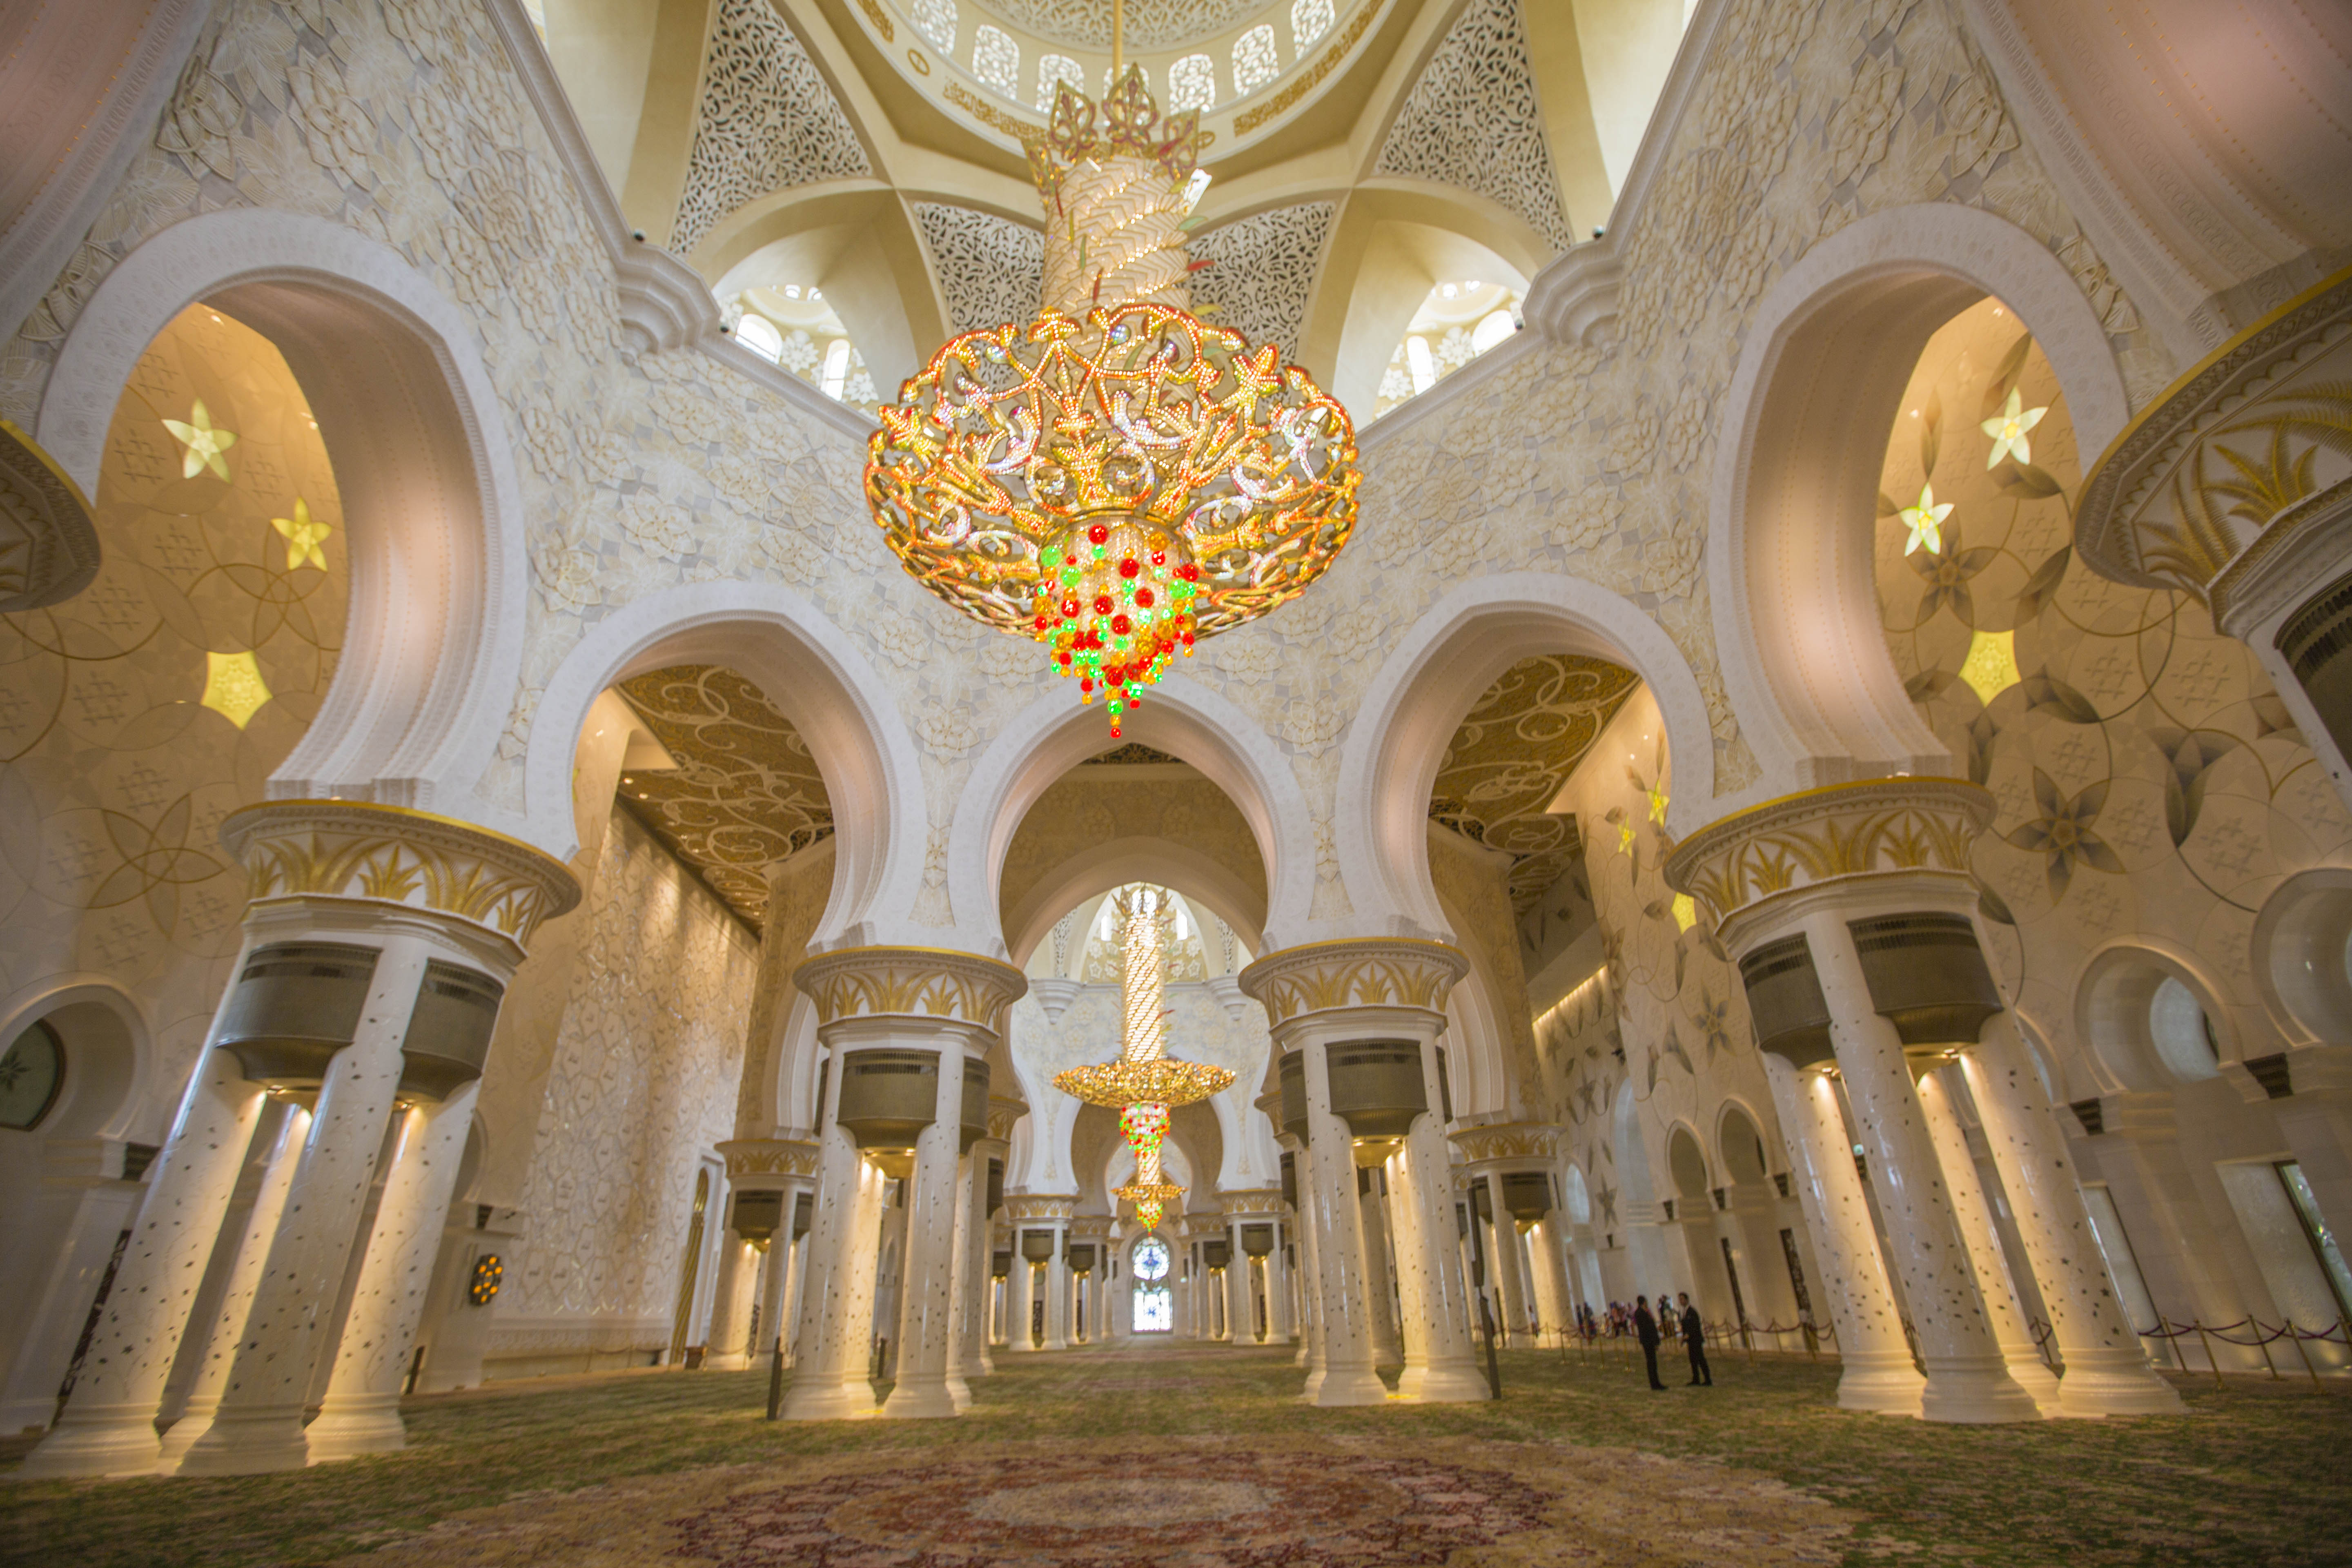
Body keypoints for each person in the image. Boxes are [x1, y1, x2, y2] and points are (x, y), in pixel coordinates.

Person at [1679, 1292, 1712, 1386]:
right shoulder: (1684, 1312)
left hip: (1696, 1340)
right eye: (1680, 1299)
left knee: (1701, 1359)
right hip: (1690, 1341)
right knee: (1693, 1360)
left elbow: (1695, 1326)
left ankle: (1707, 1379)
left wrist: (1688, 1334)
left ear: (1686, 1300)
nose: (1681, 1301)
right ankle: (1696, 1379)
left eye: (1682, 1299)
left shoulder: (1692, 1312)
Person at [1633, 1295, 1665, 1390]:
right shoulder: (1642, 1313)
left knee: (1651, 1362)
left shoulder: (1639, 1313)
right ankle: (1655, 1384)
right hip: (1649, 1341)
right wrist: (1654, 1342)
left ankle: (1655, 1383)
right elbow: (1648, 1328)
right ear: (1644, 1302)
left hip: (1646, 1340)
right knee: (1652, 1363)